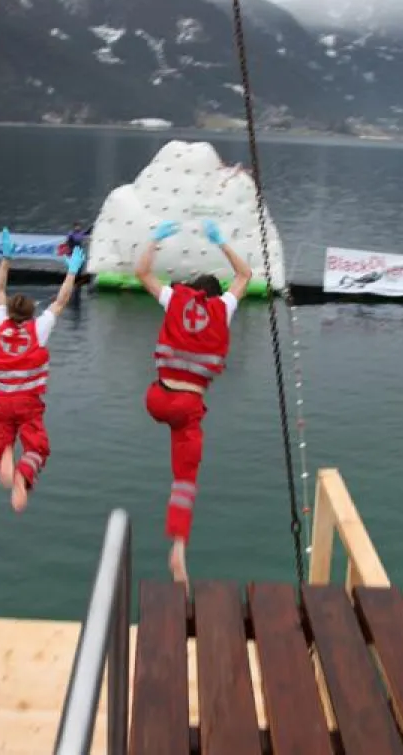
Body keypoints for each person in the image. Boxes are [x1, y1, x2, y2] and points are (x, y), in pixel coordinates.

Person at [134, 218, 253, 584]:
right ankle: (179, 549)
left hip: (156, 398)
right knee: (184, 480)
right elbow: (245, 275)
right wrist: (222, 243)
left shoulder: (174, 300)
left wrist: (155, 240)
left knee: (173, 429)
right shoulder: (222, 309)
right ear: (216, 297)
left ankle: (178, 550)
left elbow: (141, 272)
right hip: (187, 409)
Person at [0, 226, 85, 512]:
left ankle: (2, 456)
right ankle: (23, 475)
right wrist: (72, 272)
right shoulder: (38, 329)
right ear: (29, 313)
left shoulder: (0, 323)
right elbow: (61, 301)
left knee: (1, 433)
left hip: (2, 400)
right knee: (37, 447)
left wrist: (6, 258)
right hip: (28, 402)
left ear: (10, 311)